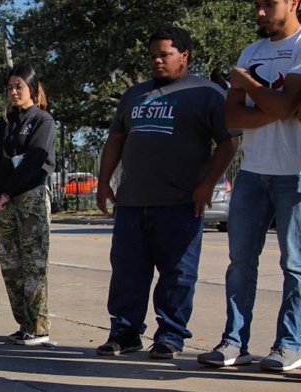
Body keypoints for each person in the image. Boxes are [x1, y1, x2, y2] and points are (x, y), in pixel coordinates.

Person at [94, 25, 239, 359]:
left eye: (165, 55)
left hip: (181, 204)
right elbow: (116, 140)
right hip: (132, 202)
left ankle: (171, 335)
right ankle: (125, 332)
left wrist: (207, 185)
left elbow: (228, 143)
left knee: (177, 274)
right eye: (153, 56)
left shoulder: (207, 93)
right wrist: (103, 183)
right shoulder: (135, 95)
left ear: (184, 56)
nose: (157, 62)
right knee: (128, 271)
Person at [198, 0, 301, 371]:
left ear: (293, 3)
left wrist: (248, 84)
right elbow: (233, 115)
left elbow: (287, 106)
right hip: (254, 173)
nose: (259, 12)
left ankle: (288, 344)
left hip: (296, 172)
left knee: (295, 264)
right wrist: (275, 105)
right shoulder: (251, 51)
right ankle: (234, 343)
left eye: (268, 4)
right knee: (240, 261)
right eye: (256, 5)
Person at [0, 65, 56, 346]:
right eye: (10, 87)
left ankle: (39, 327)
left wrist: (9, 192)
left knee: (33, 266)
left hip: (30, 199)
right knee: (11, 266)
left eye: (20, 87)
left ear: (33, 90)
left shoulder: (42, 121)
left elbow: (35, 165)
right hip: (3, 203)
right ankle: (24, 323)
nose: (14, 92)